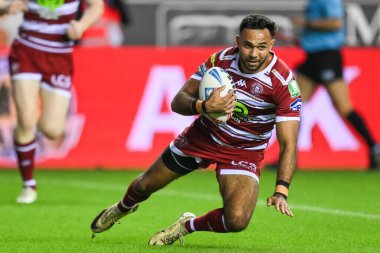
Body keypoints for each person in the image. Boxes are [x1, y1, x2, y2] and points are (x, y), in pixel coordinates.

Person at [91, 14, 301, 245]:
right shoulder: (220, 60)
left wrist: (281, 190)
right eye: (247, 45)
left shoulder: (283, 82)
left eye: (261, 47)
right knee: (144, 185)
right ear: (238, 41)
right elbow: (178, 101)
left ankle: (186, 226)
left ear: (272, 44)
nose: (253, 54)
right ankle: (122, 208)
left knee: (237, 220)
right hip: (202, 138)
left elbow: (289, 143)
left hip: (243, 151)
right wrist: (202, 106)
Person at [0, 0, 104, 204]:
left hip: (59, 56)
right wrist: (6, 6)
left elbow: (96, 6)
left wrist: (82, 26)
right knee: (26, 119)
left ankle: (30, 139)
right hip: (26, 51)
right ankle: (28, 184)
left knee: (52, 129)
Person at [295, 0, 380, 170]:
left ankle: (374, 148)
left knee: (344, 107)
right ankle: (289, 157)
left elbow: (335, 22)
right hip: (312, 57)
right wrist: (305, 39)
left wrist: (307, 23)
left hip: (327, 57)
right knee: (293, 105)